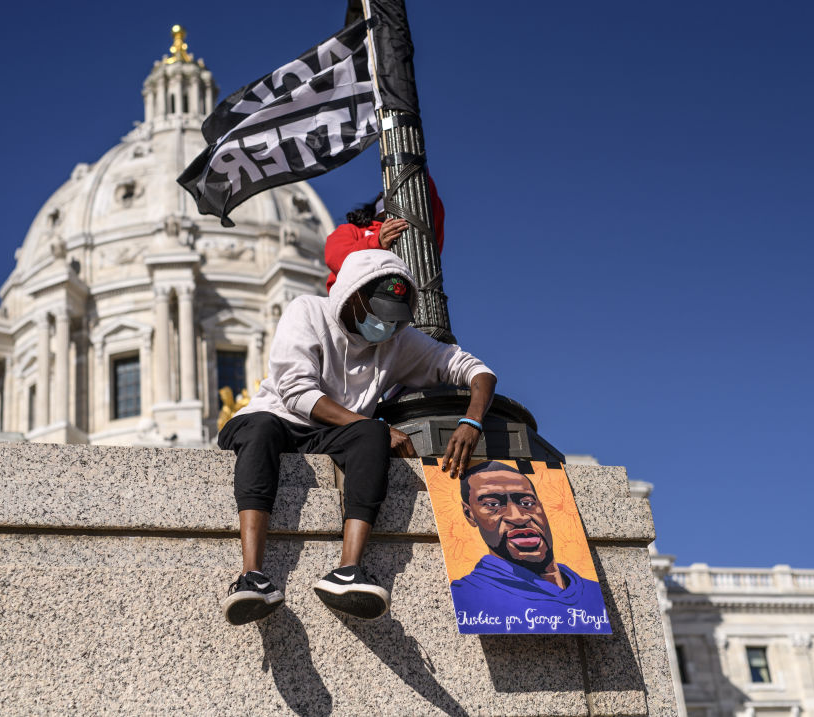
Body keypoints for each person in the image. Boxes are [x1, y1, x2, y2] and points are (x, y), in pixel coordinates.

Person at [217, 248, 496, 626]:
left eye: (397, 320)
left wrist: (473, 421)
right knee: (266, 429)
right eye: (380, 314)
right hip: (273, 417)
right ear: (353, 295)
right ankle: (251, 574)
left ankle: (348, 570)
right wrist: (375, 427)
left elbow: (474, 370)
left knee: (370, 435)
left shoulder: (397, 341)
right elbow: (296, 392)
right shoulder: (307, 311)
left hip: (328, 434)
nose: (387, 327)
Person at [450, 461, 609, 634]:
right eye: (493, 505)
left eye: (526, 503)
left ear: (540, 506)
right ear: (469, 514)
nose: (518, 517)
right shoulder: (469, 594)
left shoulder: (591, 592)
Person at [324, 176, 445, 292]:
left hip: (412, 298)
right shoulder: (352, 230)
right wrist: (377, 242)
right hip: (360, 302)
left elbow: (429, 199)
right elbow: (338, 259)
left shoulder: (418, 230)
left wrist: (414, 162)